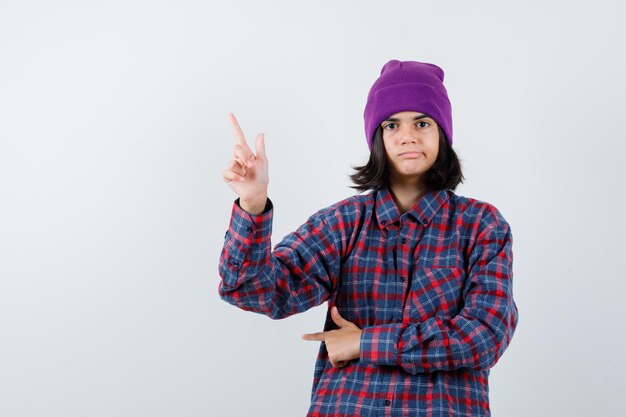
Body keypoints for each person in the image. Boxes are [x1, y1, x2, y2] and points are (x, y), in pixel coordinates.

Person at [218, 59, 519, 417]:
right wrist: (253, 202)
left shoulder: (481, 225)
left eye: (422, 123)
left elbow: (485, 336)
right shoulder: (342, 223)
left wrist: (365, 342)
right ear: (378, 136)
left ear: (442, 133)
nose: (407, 135)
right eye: (392, 124)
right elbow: (256, 291)